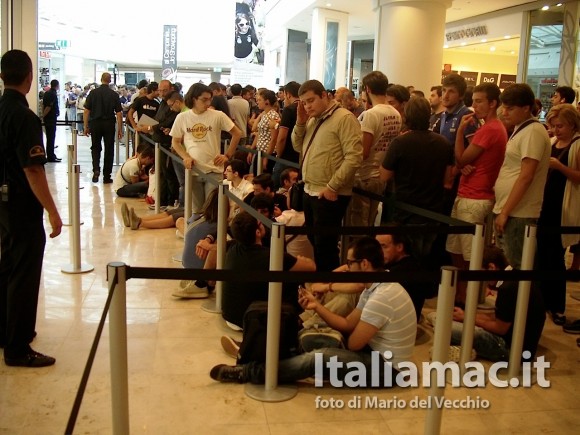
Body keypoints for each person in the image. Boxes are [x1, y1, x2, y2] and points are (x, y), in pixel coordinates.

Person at [210, 237, 416, 385]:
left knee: (320, 358)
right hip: (375, 353)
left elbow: (353, 343)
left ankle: (248, 372)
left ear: (364, 264)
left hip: (388, 370)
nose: (347, 267)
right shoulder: (376, 284)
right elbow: (347, 325)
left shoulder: (381, 296)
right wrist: (317, 307)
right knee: (312, 340)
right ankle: (263, 351)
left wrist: (330, 331)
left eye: (350, 263)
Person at [0, 49, 63, 367]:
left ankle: (6, 331)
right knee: (24, 273)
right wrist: (52, 210)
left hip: (3, 201)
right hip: (22, 204)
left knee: (8, 266)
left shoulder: (1, 110)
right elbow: (33, 169)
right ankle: (18, 346)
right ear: (28, 76)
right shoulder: (24, 117)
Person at [445, 83, 508, 304]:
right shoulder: (487, 128)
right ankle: (462, 296)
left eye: (479, 101)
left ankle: (468, 300)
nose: (474, 106)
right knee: (456, 250)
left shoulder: (491, 129)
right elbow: (465, 162)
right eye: (473, 101)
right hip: (468, 194)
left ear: (493, 103)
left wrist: (460, 132)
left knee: (470, 255)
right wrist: (463, 164)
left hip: (476, 197)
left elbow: (462, 159)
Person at [427, 246, 546, 362]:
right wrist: (465, 316)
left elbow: (500, 328)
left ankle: (468, 348)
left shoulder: (507, 288)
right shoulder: (515, 277)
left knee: (445, 326)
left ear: (491, 267)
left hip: (512, 350)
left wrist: (466, 318)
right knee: (449, 322)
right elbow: (500, 317)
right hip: (523, 344)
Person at [292, 79, 363, 271]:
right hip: (310, 188)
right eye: (304, 102)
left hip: (330, 192)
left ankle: (328, 286)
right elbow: (297, 146)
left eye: (311, 100)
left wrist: (333, 186)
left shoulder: (344, 118)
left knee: (325, 245)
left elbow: (354, 157)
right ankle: (324, 283)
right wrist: (300, 122)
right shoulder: (313, 119)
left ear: (325, 95)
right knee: (314, 239)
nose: (307, 106)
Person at [221, 211, 316, 330]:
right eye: (260, 223)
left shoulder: (233, 249)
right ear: (257, 232)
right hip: (253, 320)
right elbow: (311, 267)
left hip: (230, 317)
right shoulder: (274, 256)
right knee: (295, 278)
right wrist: (299, 259)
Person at [493, 84, 551, 270]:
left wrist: (505, 212)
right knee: (511, 264)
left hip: (519, 212)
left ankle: (522, 300)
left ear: (526, 107)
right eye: (504, 107)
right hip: (512, 210)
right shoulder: (522, 128)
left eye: (510, 108)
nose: (505, 112)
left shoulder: (533, 131)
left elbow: (527, 176)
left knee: (518, 267)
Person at [536, 104, 580, 325]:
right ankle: (542, 301)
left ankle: (557, 306)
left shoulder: (577, 145)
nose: (556, 129)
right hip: (545, 205)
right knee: (542, 255)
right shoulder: (553, 142)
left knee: (556, 259)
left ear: (572, 124)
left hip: (562, 207)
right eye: (553, 125)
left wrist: (560, 167)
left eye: (560, 125)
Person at [170, 83, 242, 214]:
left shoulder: (218, 115)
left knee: (212, 210)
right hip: (193, 170)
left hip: (213, 170)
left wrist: (227, 155)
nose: (208, 103)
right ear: (193, 99)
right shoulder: (182, 117)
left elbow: (237, 133)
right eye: (204, 99)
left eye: (210, 99)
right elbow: (175, 142)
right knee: (196, 210)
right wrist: (186, 156)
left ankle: (209, 234)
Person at [83, 72, 123, 183]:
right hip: (109, 124)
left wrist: (85, 126)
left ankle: (96, 169)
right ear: (110, 80)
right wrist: (120, 129)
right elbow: (119, 113)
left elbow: (86, 111)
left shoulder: (93, 93)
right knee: (109, 149)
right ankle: (106, 175)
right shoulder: (114, 95)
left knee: (95, 147)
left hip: (95, 123)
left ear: (101, 79)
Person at [41, 79, 60, 162]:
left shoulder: (47, 93)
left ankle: (51, 154)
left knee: (50, 137)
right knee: (51, 137)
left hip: (48, 118)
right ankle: (50, 156)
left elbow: (44, 106)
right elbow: (48, 107)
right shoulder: (52, 94)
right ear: (57, 85)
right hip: (50, 118)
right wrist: (43, 116)